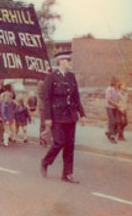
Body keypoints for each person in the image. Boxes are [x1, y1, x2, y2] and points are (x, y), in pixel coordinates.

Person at [40, 51, 86, 184]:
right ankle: (45, 161)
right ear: (61, 62)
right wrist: (47, 117)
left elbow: (76, 97)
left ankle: (67, 174)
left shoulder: (71, 76)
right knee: (59, 142)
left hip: (71, 116)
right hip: (57, 116)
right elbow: (46, 98)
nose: (70, 62)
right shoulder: (51, 77)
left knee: (70, 145)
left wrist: (82, 114)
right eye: (68, 60)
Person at [105, 77, 121, 144]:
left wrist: (119, 103)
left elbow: (119, 98)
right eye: (117, 82)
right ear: (113, 82)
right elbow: (109, 100)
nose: (118, 83)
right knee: (111, 121)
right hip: (109, 107)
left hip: (115, 107)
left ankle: (109, 132)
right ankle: (112, 136)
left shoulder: (117, 89)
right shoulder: (109, 89)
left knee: (117, 121)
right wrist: (116, 104)